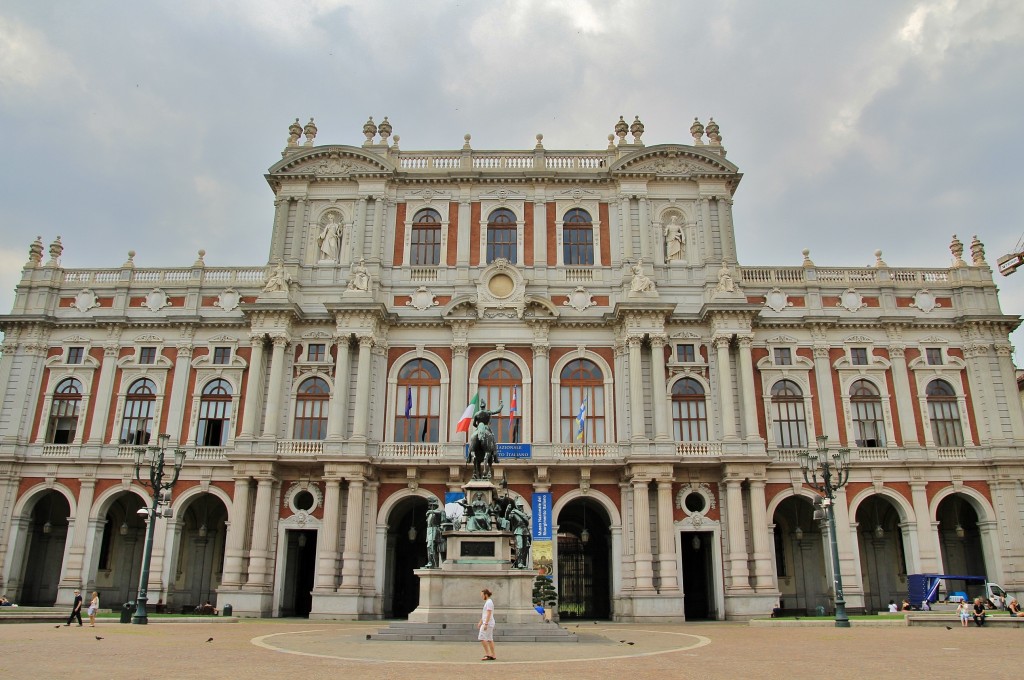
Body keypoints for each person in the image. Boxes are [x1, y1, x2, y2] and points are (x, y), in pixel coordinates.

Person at [424, 498, 444, 568]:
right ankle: (430, 562)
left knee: (432, 546)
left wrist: (430, 511)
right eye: (430, 506)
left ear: (435, 506)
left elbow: (441, 512)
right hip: (429, 530)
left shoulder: (437, 512)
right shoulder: (429, 514)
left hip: (434, 529)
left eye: (432, 506)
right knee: (429, 547)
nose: (430, 507)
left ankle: (434, 564)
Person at [478, 588, 496, 661]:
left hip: (488, 623)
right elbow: (485, 614)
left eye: (482, 595)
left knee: (482, 637)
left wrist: (485, 623)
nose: (481, 596)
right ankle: (493, 654)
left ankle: (488, 654)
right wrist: (481, 621)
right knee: (489, 639)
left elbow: (488, 613)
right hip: (489, 622)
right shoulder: (489, 602)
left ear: (486, 595)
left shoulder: (488, 602)